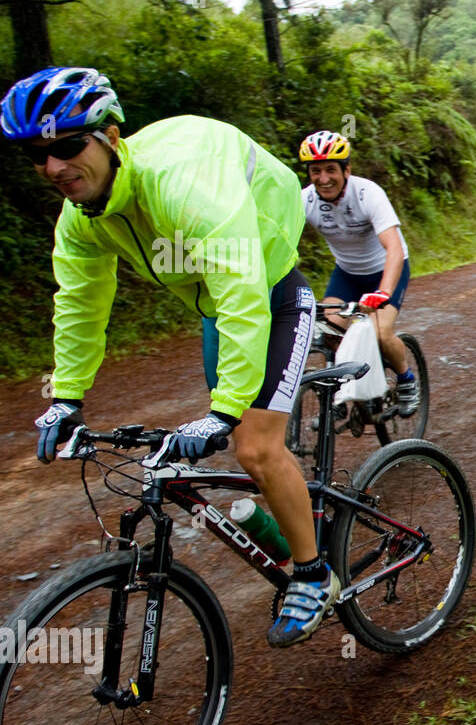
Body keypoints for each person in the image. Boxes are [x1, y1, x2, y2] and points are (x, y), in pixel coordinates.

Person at [2, 66, 339, 647]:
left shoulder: (183, 182)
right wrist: (65, 398)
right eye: (37, 154)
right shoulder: (82, 220)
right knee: (240, 438)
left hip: (271, 287)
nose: (54, 167)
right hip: (217, 301)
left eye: (67, 146)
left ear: (109, 136)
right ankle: (298, 519)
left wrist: (225, 410)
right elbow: (80, 305)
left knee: (254, 442)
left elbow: (240, 289)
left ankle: (314, 574)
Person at [298, 130, 417, 415]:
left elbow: (394, 249)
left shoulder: (368, 193)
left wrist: (383, 292)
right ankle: (345, 388)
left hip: (385, 270)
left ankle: (405, 379)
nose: (323, 178)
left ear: (346, 170)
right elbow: (281, 245)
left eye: (331, 169)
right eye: (316, 171)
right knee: (329, 329)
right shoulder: (305, 201)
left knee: (380, 333)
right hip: (347, 273)